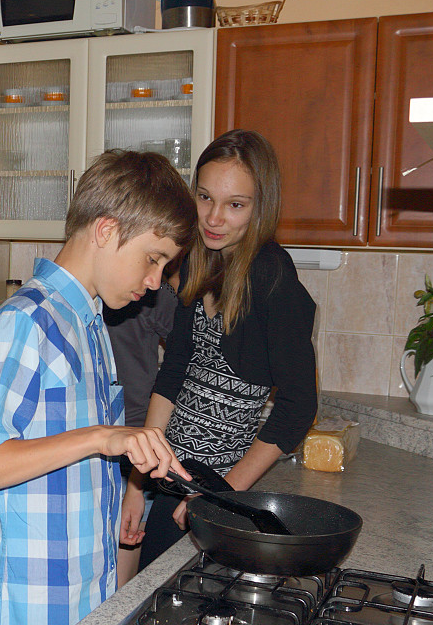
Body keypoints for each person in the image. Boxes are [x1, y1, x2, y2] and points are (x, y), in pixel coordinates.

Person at [0, 150, 197, 625]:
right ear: (106, 230)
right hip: (27, 611)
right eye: (152, 259)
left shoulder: (90, 323)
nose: (156, 281)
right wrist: (102, 437)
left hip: (74, 597)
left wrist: (126, 483)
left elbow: (80, 458)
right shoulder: (27, 322)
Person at [129, 129, 317, 571]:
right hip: (170, 472)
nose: (214, 218)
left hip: (219, 484)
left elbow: (298, 406)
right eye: (205, 198)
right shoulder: (198, 257)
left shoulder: (273, 278)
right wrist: (138, 482)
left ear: (260, 207)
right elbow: (174, 372)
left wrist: (221, 496)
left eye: (235, 205)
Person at [105, 268, 179, 586]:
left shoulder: (150, 291)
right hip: (81, 456)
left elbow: (189, 356)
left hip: (133, 455)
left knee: (119, 592)